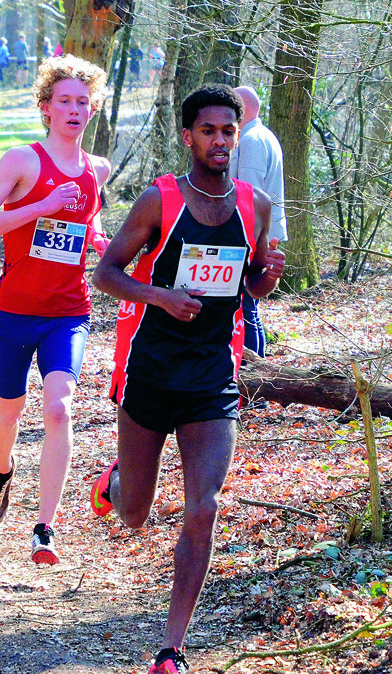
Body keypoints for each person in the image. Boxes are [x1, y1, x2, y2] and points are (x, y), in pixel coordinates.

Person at [89, 84, 285, 674]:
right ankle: (118, 482)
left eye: (229, 131)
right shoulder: (160, 200)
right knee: (135, 515)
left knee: (204, 506)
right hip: (150, 369)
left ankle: (172, 649)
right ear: (188, 137)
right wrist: (161, 297)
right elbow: (106, 273)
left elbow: (249, 287)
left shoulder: (256, 204)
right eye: (209, 131)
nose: (220, 141)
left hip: (211, 376)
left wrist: (267, 277)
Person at [0, 55, 111, 565]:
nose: (74, 109)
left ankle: (45, 527)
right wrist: (39, 207)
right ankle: (3, 471)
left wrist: (97, 239)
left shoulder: (97, 170)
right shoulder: (22, 161)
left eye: (82, 102)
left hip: (68, 312)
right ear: (47, 109)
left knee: (58, 407)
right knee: (9, 409)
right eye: (64, 101)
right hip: (12, 311)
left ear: (92, 110)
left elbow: (81, 227)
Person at [230, 86, 286, 359]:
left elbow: (249, 194)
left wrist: (242, 239)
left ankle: (257, 384)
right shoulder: (264, 135)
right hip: (262, 233)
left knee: (247, 306)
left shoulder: (251, 140)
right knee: (248, 307)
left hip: (252, 236)